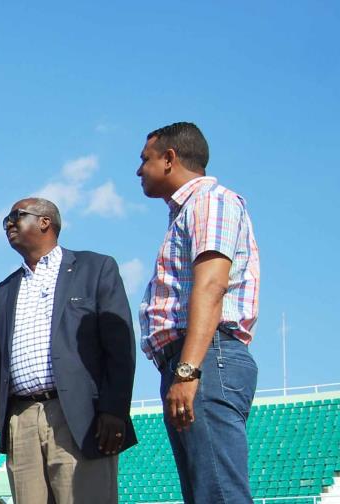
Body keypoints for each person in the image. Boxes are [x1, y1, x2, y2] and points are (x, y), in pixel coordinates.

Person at [0, 197, 136, 504]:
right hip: (20, 417)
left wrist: (114, 409)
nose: (8, 224)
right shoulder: (5, 289)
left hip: (79, 415)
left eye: (16, 216)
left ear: (45, 222)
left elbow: (119, 344)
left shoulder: (95, 268)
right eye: (6, 220)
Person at [137, 122, 260, 503]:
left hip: (206, 357)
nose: (139, 170)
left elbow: (211, 285)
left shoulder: (209, 201)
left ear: (170, 159)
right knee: (206, 493)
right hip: (195, 359)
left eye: (146, 159)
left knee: (218, 493)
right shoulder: (188, 210)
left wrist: (189, 370)